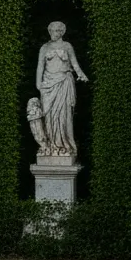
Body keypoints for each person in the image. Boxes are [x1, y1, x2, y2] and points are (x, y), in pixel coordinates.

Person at [33, 21, 87, 164]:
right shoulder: (45, 47)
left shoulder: (67, 46)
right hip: (48, 84)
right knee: (49, 115)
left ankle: (64, 145)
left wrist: (81, 74)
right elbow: (40, 66)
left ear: (62, 32)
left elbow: (74, 64)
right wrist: (38, 84)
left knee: (63, 115)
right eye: (51, 30)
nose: (54, 33)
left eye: (57, 30)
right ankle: (51, 145)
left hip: (64, 81)